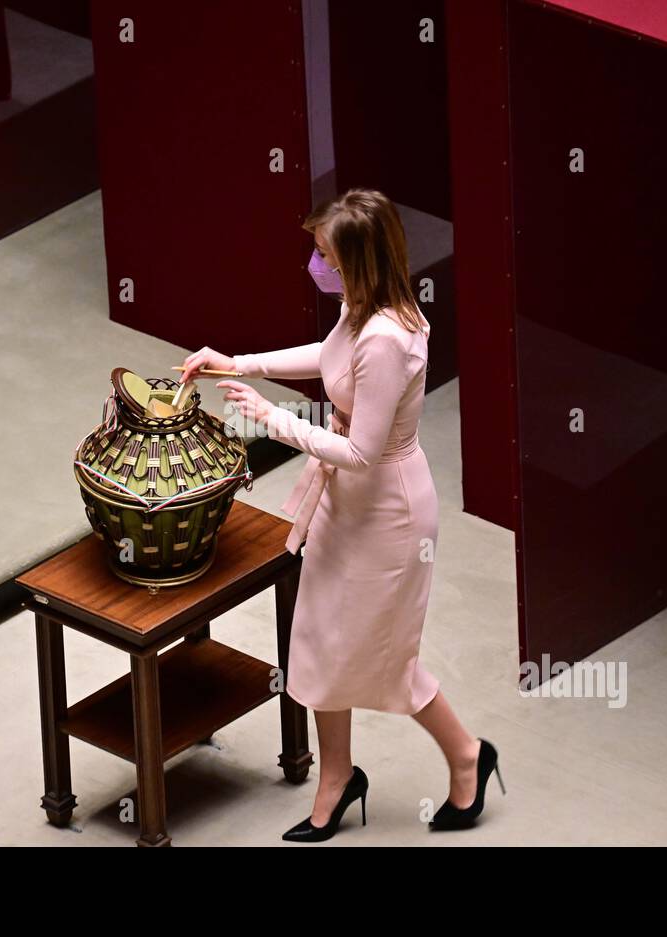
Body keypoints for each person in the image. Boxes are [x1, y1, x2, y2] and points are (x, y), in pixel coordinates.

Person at [181, 189, 505, 841]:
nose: (314, 261)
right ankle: (337, 776)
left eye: (324, 253)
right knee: (320, 642)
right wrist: (238, 362)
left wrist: (271, 418)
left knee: (386, 658)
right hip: (346, 506)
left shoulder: (387, 338)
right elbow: (328, 359)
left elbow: (360, 451)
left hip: (387, 515)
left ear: (356, 260)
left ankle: (468, 754)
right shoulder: (362, 310)